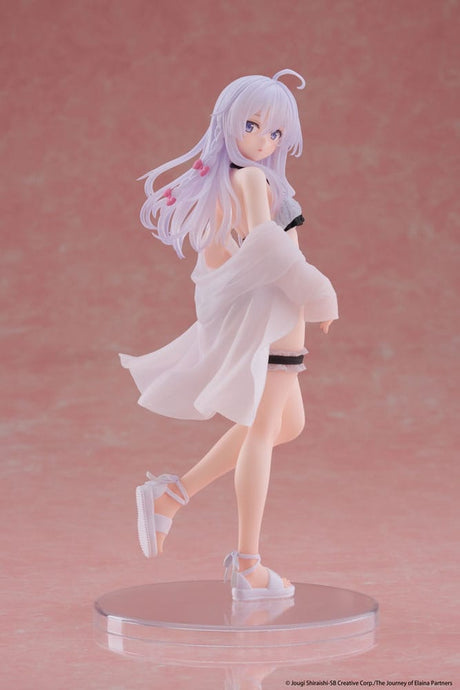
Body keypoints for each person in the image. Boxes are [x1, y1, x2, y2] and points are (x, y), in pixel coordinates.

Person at [119, 69, 338, 601]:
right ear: (228, 122)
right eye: (253, 126)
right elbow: (266, 246)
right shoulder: (251, 181)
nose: (264, 140)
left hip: (275, 321)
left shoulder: (230, 181)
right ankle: (248, 566)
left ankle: (173, 494)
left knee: (288, 425)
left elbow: (232, 255)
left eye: (276, 133)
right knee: (262, 434)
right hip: (277, 324)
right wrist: (321, 294)